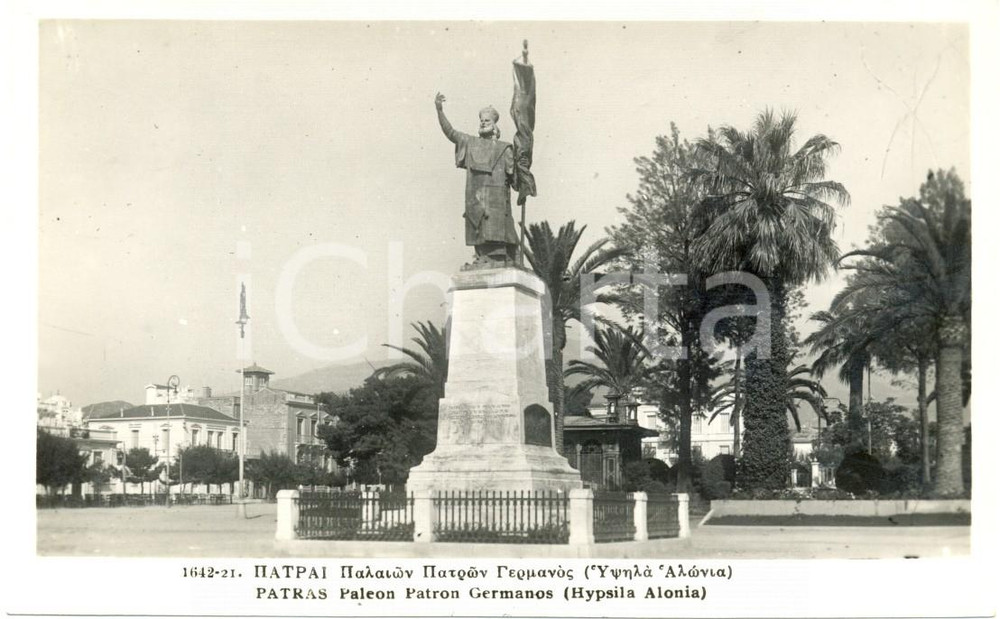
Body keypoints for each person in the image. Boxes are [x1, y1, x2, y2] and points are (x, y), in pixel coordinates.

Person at [435, 92, 519, 265]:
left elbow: (514, 177)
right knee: (479, 234)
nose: (483, 122)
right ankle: (483, 258)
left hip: (497, 203)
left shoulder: (505, 149)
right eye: (481, 120)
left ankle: (503, 257)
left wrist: (521, 168)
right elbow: (450, 132)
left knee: (500, 235)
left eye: (487, 120)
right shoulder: (470, 142)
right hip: (477, 201)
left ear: (495, 125)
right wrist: (439, 110)